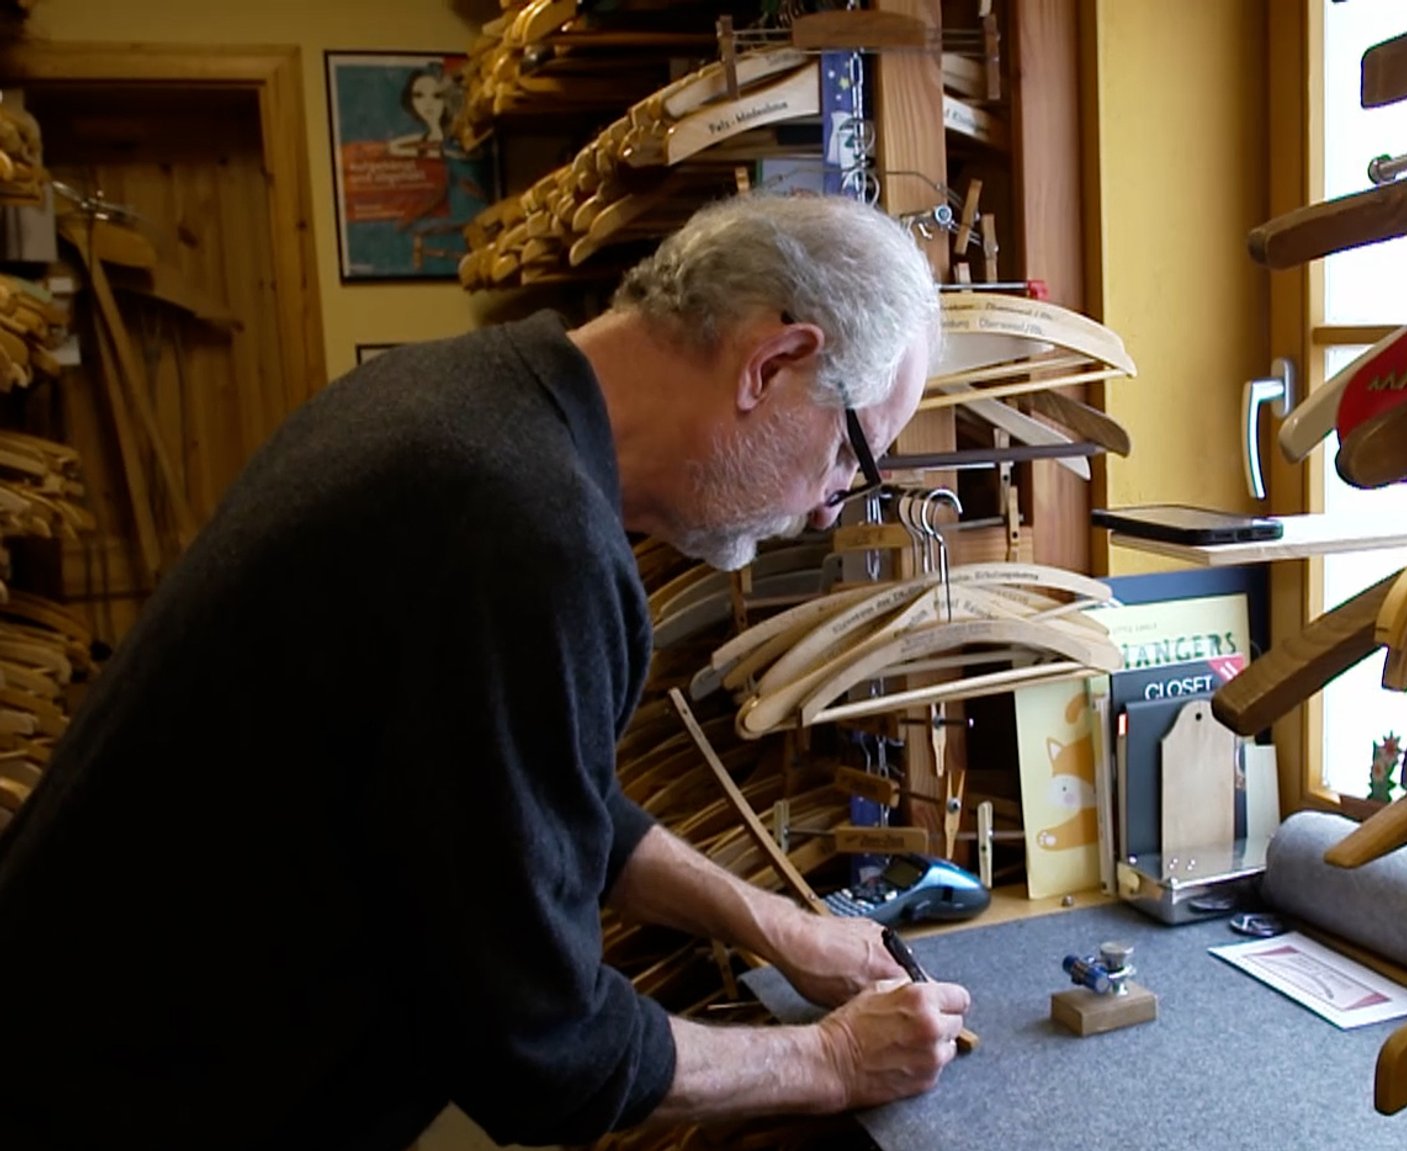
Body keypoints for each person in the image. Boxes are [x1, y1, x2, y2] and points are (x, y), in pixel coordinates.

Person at [0, 193, 971, 1150]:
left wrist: (781, 929)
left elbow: (536, 800)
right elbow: (543, 1046)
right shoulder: (518, 527)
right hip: (124, 1105)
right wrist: (836, 1060)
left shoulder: (473, 402)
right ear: (773, 361)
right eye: (852, 462)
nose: (823, 511)